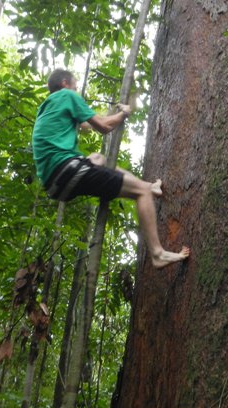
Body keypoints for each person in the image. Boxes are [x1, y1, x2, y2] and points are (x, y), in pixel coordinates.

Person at [32, 68, 190, 268]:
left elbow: (87, 124)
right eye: (75, 84)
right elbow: (104, 126)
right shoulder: (67, 95)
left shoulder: (48, 106)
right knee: (140, 193)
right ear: (65, 83)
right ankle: (157, 253)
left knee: (98, 157)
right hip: (66, 168)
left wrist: (117, 112)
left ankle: (148, 186)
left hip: (54, 184)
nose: (76, 88)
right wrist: (123, 113)